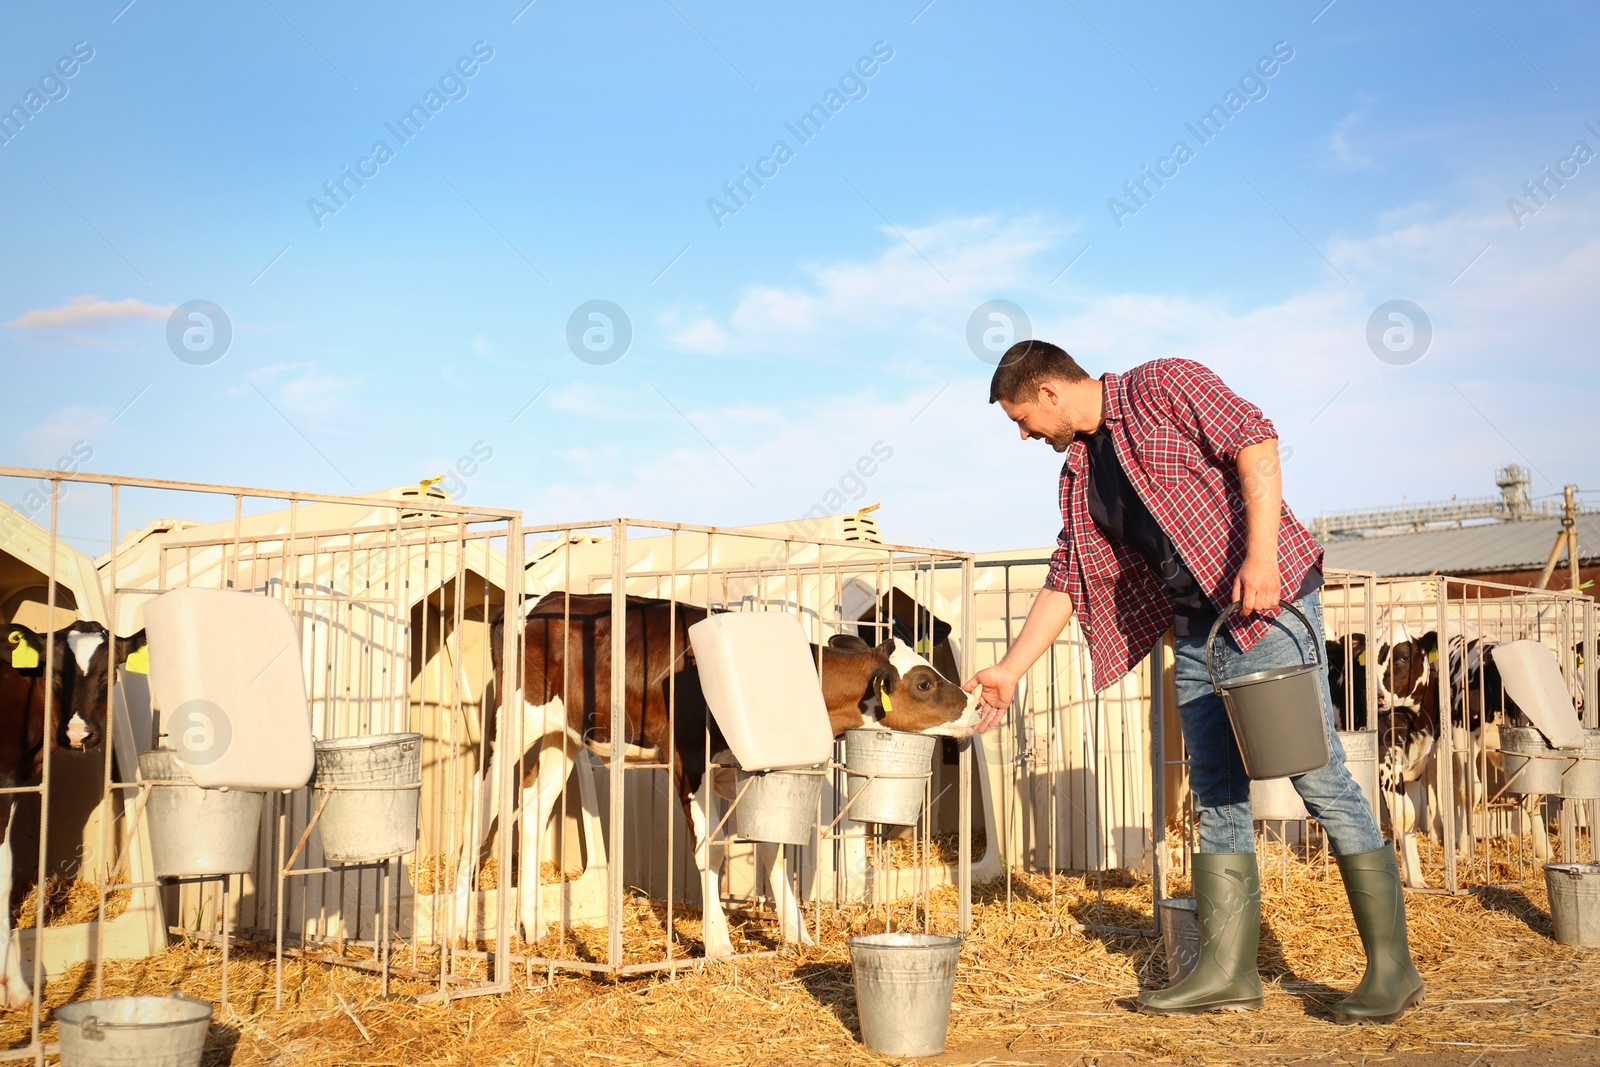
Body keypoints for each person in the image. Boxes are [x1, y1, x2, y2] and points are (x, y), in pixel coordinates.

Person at [963, 340, 1424, 1023]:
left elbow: (1257, 443)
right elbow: (1069, 575)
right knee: (1216, 793)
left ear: (1050, 393)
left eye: (1021, 419)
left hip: (1266, 606)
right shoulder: (1081, 471)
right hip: (1197, 629)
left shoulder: (1163, 385)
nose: (1025, 434)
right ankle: (1228, 969)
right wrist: (1008, 669)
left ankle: (1393, 966)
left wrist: (1261, 557)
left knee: (1318, 776)